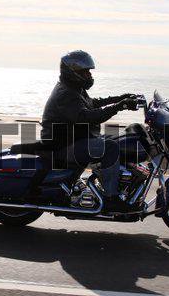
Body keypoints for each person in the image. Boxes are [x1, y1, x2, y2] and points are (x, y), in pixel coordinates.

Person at [40, 50, 139, 212]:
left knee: (118, 140)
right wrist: (120, 106)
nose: (89, 75)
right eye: (85, 72)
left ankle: (112, 183)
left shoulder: (74, 89)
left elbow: (93, 103)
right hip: (62, 147)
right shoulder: (65, 94)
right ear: (73, 72)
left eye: (89, 71)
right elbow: (88, 117)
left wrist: (120, 99)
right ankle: (111, 198)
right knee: (110, 147)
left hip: (73, 140)